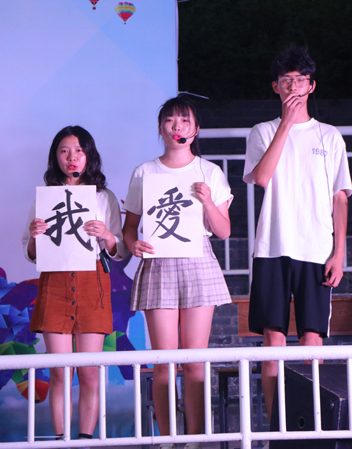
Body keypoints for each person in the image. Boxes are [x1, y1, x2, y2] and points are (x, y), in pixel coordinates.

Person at [243, 46, 352, 419]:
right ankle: (277, 428)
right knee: (273, 339)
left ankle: (312, 426)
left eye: (300, 80)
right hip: (272, 246)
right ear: (276, 86)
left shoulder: (329, 136)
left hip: (317, 247)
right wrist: (287, 124)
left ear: (312, 86)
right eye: (286, 81)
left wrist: (339, 252)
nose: (294, 87)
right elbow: (261, 177)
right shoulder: (262, 131)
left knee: (311, 339)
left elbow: (340, 197)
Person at [122, 96, 233, 449]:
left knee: (195, 362)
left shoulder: (209, 172)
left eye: (184, 120)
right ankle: (168, 438)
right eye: (170, 120)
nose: (177, 126)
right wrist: (133, 244)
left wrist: (208, 201)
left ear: (196, 129)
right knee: (164, 362)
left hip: (198, 261)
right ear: (161, 128)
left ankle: (195, 439)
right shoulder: (145, 172)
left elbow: (224, 230)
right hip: (158, 263)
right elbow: (130, 228)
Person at [22, 126, 126, 442]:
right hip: (54, 282)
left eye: (79, 150)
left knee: (89, 371)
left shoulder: (104, 197)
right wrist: (35, 236)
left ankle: (85, 439)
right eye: (64, 150)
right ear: (56, 157)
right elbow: (30, 251)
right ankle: (61, 440)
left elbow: (119, 250)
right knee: (59, 371)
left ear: (89, 155)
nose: (72, 157)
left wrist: (106, 235)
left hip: (92, 281)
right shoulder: (46, 196)